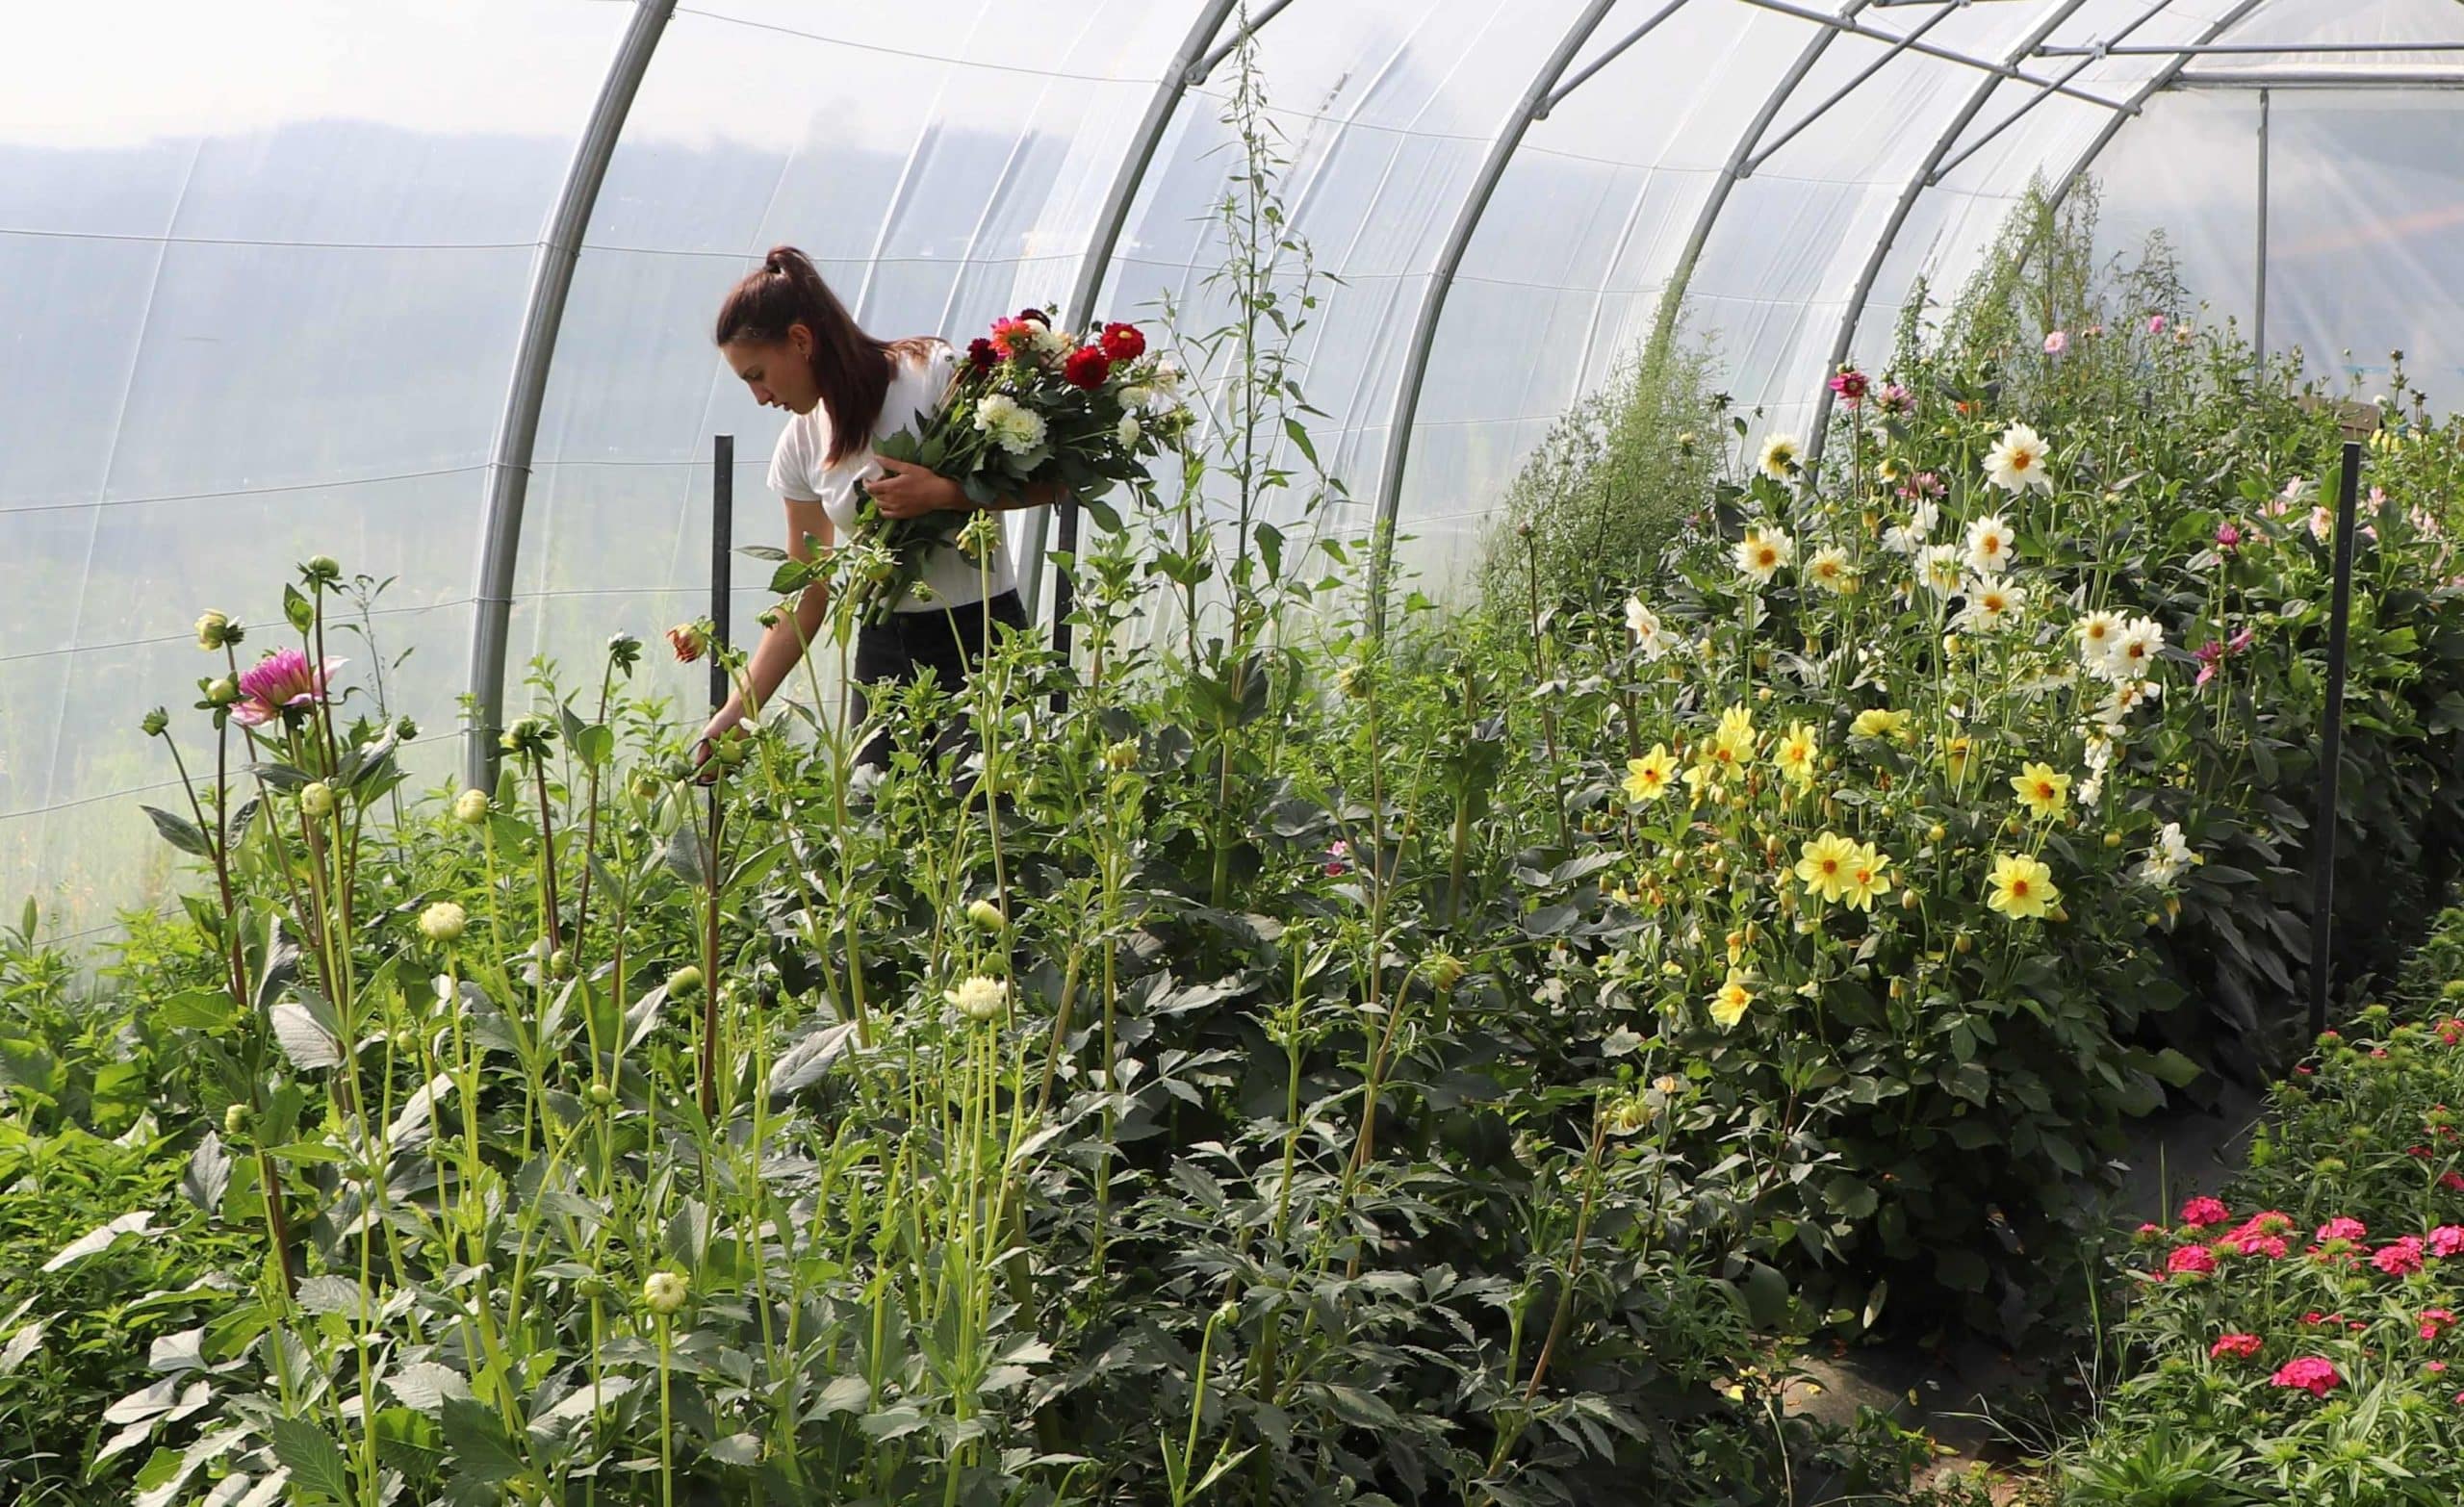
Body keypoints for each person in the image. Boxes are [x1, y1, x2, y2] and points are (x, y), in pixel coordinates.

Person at [701, 245, 1059, 773]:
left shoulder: (930, 375)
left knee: (985, 831)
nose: (759, 396)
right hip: (884, 652)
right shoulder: (800, 444)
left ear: (800, 341)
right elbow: (807, 592)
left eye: (758, 375)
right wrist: (738, 710)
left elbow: (1051, 482)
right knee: (882, 834)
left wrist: (944, 492)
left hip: (983, 638)